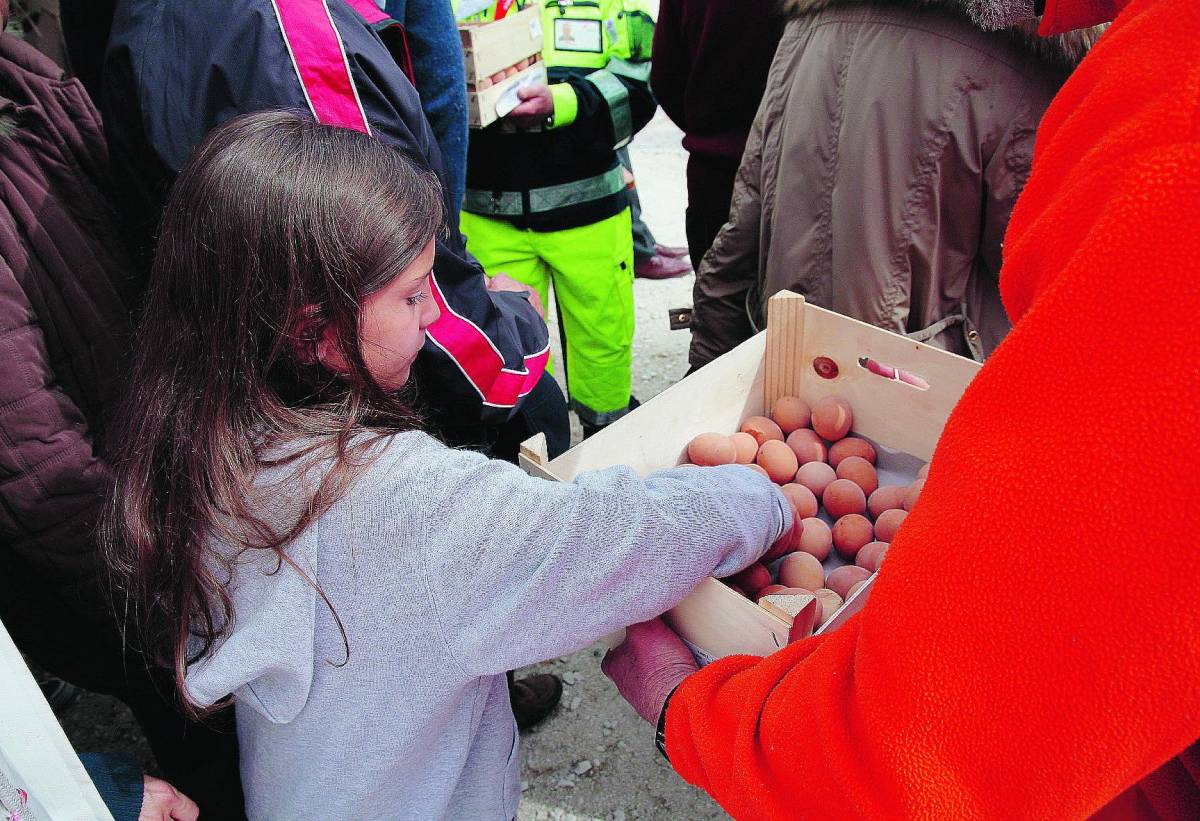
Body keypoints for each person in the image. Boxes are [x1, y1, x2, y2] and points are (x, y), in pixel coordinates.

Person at [101, 110, 793, 820]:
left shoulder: (203, 431)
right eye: (409, 295)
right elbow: (610, 538)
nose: (436, 313)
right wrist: (760, 495)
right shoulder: (401, 505)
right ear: (313, 331)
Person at [604, 0, 1200, 817]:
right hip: (924, 408)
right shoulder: (1066, 64)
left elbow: (742, 216)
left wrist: (713, 360)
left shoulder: (813, 25)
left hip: (829, 392)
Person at [102, 0, 570, 725]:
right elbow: (382, 262)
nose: (418, 307)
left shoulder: (201, 460)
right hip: (347, 411)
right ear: (312, 325)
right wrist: (513, 332)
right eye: (412, 298)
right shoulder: (286, 33)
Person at [0, 2, 245, 816]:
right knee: (215, 752)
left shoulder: (28, 83)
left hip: (182, 489)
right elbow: (36, 466)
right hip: (138, 563)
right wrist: (179, 582)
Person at [687, 0, 1100, 371]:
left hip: (796, 374)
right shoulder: (1029, 51)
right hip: (929, 395)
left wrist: (706, 372)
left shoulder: (810, 25)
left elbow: (744, 225)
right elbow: (1044, 277)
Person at [460, 0, 658, 436]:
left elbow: (642, 88)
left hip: (589, 221)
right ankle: (530, 467)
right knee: (508, 355)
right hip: (489, 218)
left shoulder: (620, 6)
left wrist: (561, 101)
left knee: (603, 346)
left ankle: (609, 449)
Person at [650, 0, 784, 269]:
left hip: (716, 172)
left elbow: (666, 76)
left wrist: (709, 129)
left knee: (718, 297)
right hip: (794, 167)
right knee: (801, 304)